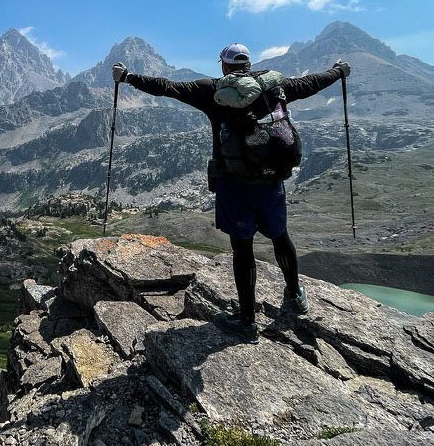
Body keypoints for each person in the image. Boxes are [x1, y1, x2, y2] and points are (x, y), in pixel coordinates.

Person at [112, 44, 351, 338]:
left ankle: (247, 321)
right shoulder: (277, 87)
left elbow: (165, 87)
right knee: (280, 236)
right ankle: (295, 296)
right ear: (248, 65)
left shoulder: (211, 90)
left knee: (242, 248)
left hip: (233, 184)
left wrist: (127, 77)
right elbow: (313, 82)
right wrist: (338, 71)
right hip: (270, 181)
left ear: (224, 66)